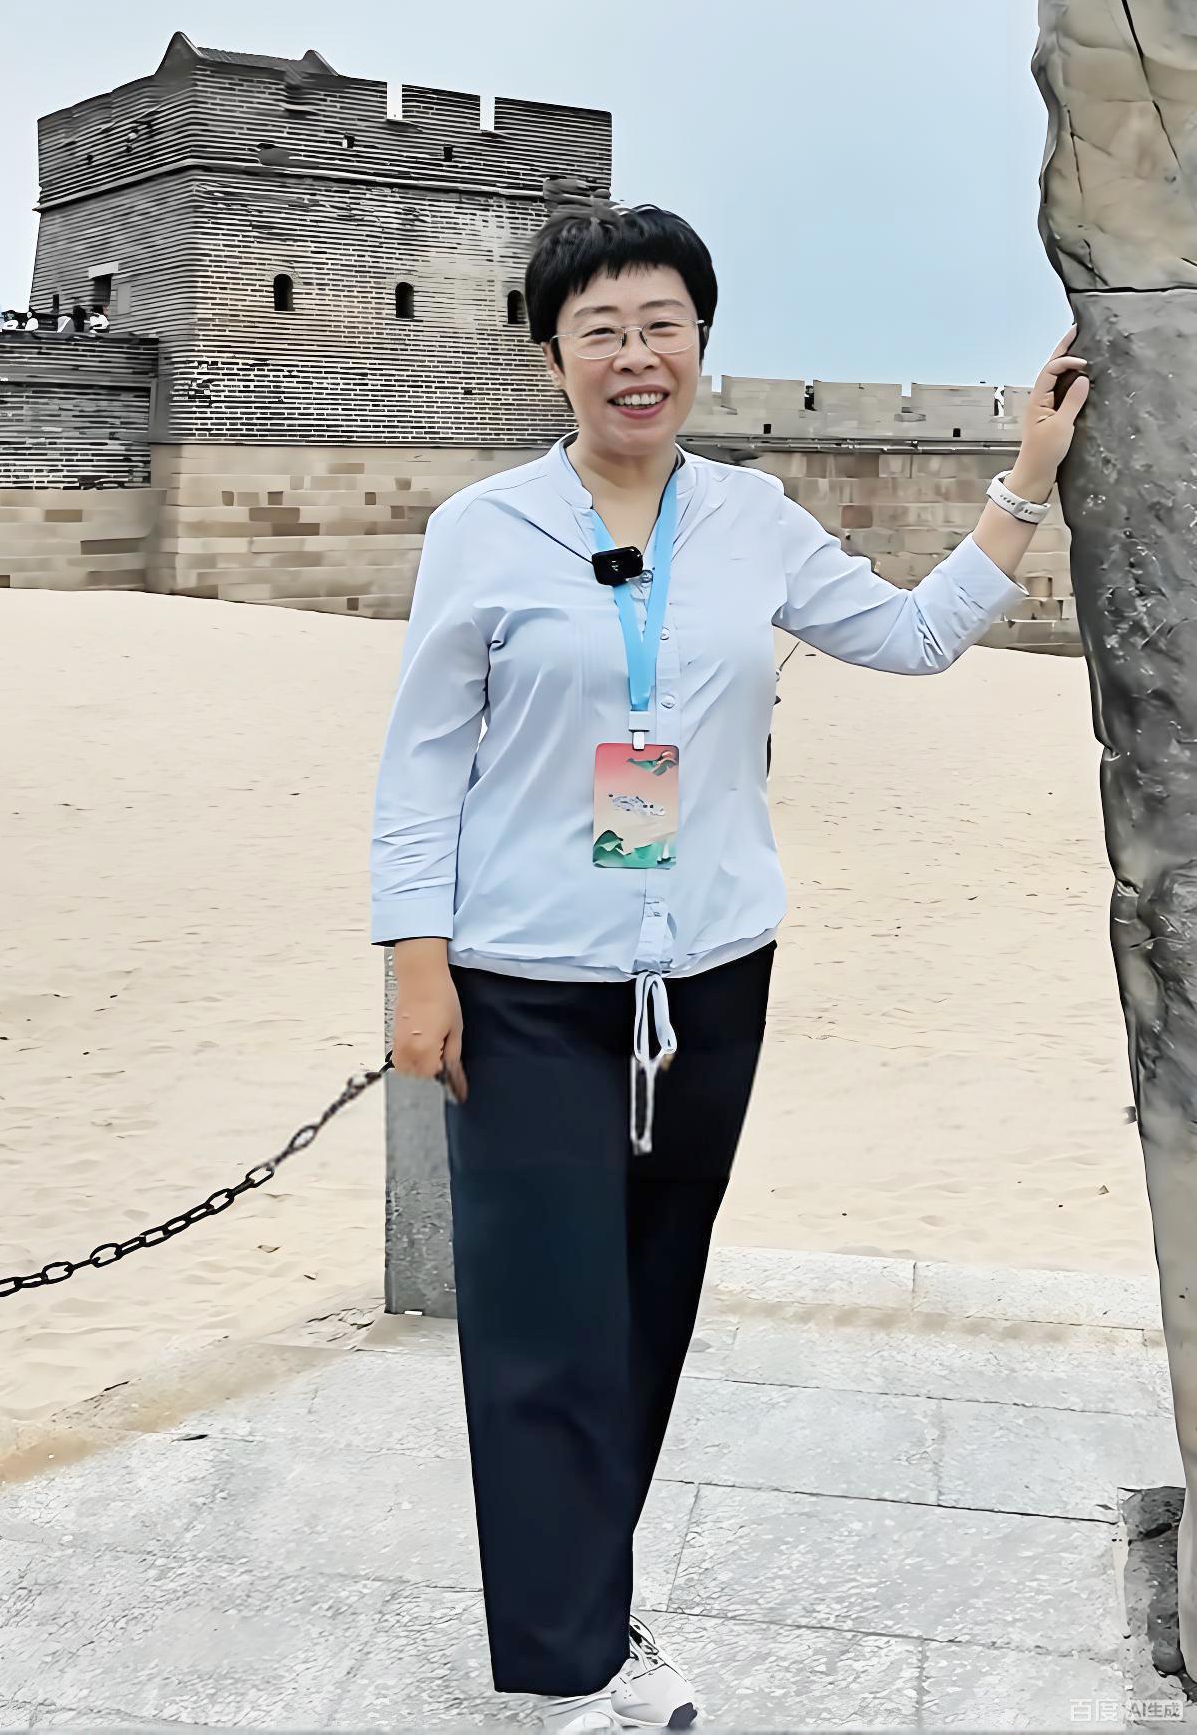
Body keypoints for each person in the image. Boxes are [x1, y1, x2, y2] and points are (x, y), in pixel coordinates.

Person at [369, 203, 1090, 1732]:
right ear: (552, 357)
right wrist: (415, 966)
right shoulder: (482, 531)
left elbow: (909, 639)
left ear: (699, 343)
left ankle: (597, 1607)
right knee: (543, 1330)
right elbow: (421, 763)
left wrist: (1021, 481)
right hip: (526, 983)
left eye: (662, 326)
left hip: (707, 977)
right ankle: (574, 1667)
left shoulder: (751, 519)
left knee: (645, 1309)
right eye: (600, 331)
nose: (635, 357)